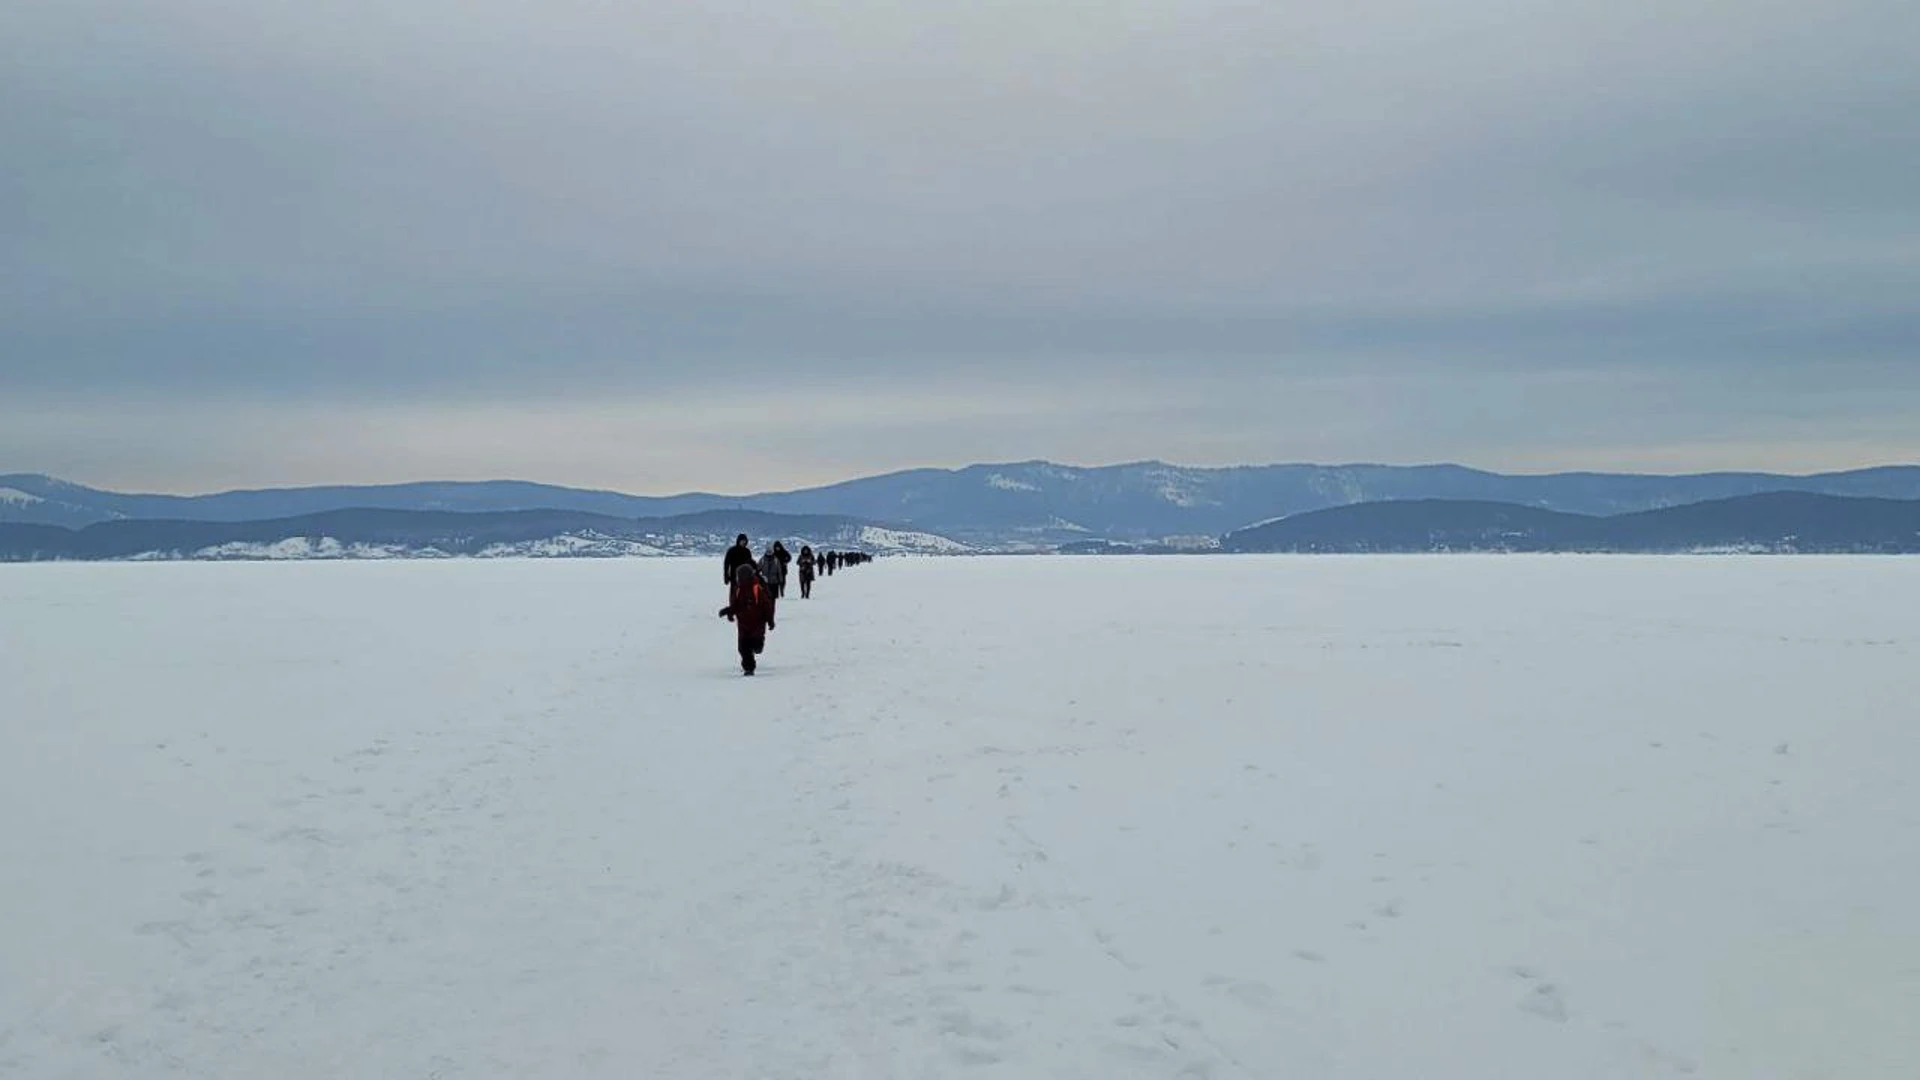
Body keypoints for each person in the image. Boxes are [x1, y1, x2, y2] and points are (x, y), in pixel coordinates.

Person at [718, 564, 775, 675]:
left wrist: (770, 620)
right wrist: (727, 611)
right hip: (743, 624)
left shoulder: (757, 588)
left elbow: (766, 606)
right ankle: (749, 668)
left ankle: (758, 647)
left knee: (756, 645)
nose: (738, 578)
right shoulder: (738, 589)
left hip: (757, 623)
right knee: (743, 648)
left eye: (740, 576)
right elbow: (736, 605)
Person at [757, 547, 784, 622]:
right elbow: (758, 570)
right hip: (765, 583)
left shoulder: (776, 560)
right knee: (764, 600)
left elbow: (779, 571)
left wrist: (781, 580)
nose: (769, 553)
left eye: (770, 552)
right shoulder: (762, 560)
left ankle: (771, 616)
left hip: (774, 583)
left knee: (772, 601)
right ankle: (765, 615)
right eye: (768, 552)